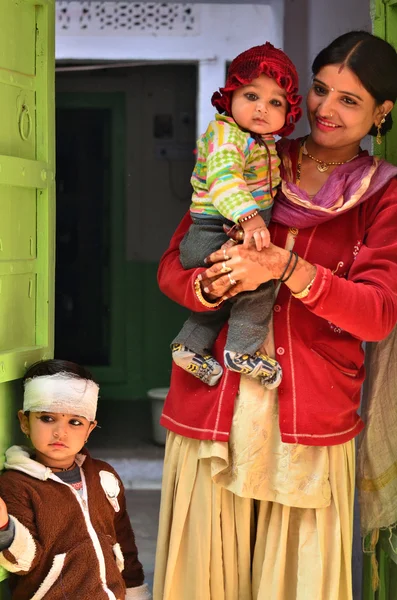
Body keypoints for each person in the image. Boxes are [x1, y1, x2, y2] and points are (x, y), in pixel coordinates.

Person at [153, 31, 397, 600]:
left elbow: (378, 314)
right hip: (215, 402)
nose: (325, 109)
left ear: (382, 112)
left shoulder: (382, 196)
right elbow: (173, 267)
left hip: (307, 418)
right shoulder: (254, 154)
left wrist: (288, 268)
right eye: (319, 90)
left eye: (350, 100)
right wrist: (211, 287)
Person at [171, 42, 302, 388]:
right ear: (229, 97)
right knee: (259, 282)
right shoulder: (227, 134)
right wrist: (250, 217)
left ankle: (188, 346)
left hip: (222, 230)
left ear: (288, 113)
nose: (262, 108)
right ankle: (242, 351)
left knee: (229, 295)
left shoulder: (262, 141)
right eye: (251, 96)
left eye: (275, 102)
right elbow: (223, 176)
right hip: (216, 230)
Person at [0, 359, 151, 600]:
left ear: (90, 430)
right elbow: (23, 562)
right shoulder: (17, 484)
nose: (61, 432)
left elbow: (124, 543)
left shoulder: (104, 477)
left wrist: (135, 593)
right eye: (47, 418)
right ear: (24, 422)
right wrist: (4, 526)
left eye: (75, 422)